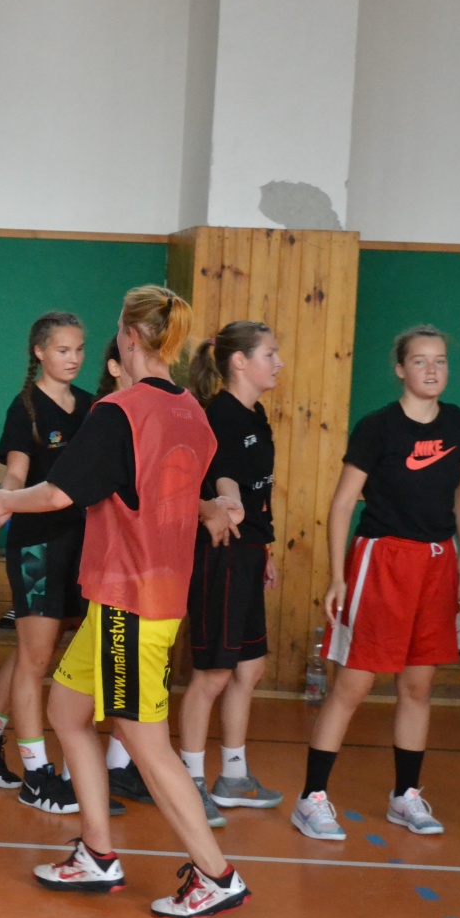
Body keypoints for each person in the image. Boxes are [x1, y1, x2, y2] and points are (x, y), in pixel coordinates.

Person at [0, 285, 252, 918]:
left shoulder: (119, 411)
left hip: (132, 602)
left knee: (142, 738)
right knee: (67, 710)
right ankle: (97, 854)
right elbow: (168, 493)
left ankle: (216, 875)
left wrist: (2, 500)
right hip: (139, 597)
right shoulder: (192, 412)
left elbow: (58, 494)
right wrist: (215, 506)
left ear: (129, 336)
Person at [293, 325, 460, 841]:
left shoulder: (458, 422)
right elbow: (341, 504)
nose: (432, 370)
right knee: (354, 684)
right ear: (400, 369)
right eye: (420, 361)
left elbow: (459, 491)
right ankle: (311, 799)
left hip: (437, 561)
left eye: (439, 360)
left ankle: (405, 795)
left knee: (418, 685)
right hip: (383, 562)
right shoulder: (378, 428)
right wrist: (338, 576)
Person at [0, 314, 104, 814]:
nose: (74, 358)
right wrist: (3, 502)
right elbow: (16, 473)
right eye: (63, 350)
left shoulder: (91, 406)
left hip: (81, 545)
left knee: (37, 650)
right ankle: (36, 775)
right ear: (39, 352)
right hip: (37, 546)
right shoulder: (26, 409)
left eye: (79, 349)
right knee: (36, 659)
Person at [180, 321, 286, 824]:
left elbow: (256, 488)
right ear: (239, 362)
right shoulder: (217, 416)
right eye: (270, 354)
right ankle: (189, 782)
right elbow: (222, 479)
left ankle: (234, 776)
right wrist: (231, 503)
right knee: (214, 673)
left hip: (248, 551)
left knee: (250, 667)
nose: (279, 363)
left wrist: (264, 549)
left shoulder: (255, 415)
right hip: (219, 553)